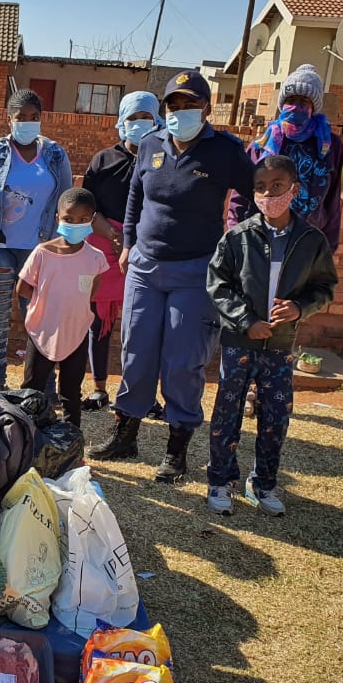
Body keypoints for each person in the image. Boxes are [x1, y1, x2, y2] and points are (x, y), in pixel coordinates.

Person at [90, 70, 255, 482]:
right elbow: (135, 198)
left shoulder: (225, 151)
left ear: (207, 108)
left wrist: (236, 246)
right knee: (136, 353)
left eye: (190, 104)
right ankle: (125, 435)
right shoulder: (150, 145)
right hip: (145, 267)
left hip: (196, 270)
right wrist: (127, 243)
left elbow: (254, 196)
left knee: (183, 361)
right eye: (174, 105)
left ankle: (176, 451)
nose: (181, 112)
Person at [206, 155, 338, 516]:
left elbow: (325, 287)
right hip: (239, 342)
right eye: (261, 188)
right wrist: (246, 320)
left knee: (275, 417)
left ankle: (263, 483)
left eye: (277, 186)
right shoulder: (238, 237)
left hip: (280, 346)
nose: (268, 194)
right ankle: (220, 480)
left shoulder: (312, 241)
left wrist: (299, 309)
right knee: (226, 414)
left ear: (294, 189)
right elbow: (218, 285)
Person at [0, 88, 73, 389]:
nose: (27, 122)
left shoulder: (54, 155)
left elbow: (66, 203)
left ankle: (40, 386)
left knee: (38, 319)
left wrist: (61, 247)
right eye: (20, 117)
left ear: (41, 119)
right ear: (9, 119)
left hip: (39, 251)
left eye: (33, 117)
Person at [81, 90, 160, 412]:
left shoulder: (162, 158)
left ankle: (140, 393)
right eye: (133, 118)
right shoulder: (104, 160)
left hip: (148, 250)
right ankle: (99, 388)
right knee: (99, 323)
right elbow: (86, 203)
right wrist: (113, 235)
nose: (139, 124)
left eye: (146, 118)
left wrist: (138, 239)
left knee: (142, 326)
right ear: (121, 122)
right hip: (103, 246)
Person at [17, 188, 109, 427]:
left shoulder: (96, 257)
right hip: (42, 332)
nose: (75, 224)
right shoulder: (43, 253)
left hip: (76, 333)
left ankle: (71, 441)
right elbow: (23, 288)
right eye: (69, 219)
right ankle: (25, 438)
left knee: (71, 392)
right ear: (58, 217)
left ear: (92, 220)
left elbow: (92, 290)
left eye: (82, 220)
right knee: (32, 389)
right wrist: (47, 302)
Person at [228, 64, 343, 252]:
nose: (296, 106)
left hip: (307, 243)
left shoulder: (329, 146)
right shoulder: (263, 144)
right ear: (282, 103)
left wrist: (328, 248)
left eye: (304, 101)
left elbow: (333, 198)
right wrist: (236, 241)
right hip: (261, 242)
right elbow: (240, 197)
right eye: (291, 99)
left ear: (314, 106)